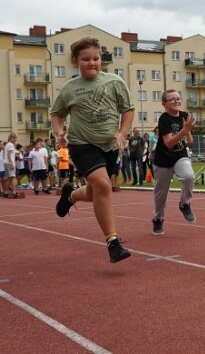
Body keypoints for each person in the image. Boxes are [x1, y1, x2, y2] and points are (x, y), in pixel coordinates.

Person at [50, 36, 134, 263]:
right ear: (75, 61)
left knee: (96, 190)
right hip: (81, 144)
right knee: (104, 186)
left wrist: (122, 133)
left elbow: (128, 110)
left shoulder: (115, 82)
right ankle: (113, 242)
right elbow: (56, 114)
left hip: (109, 145)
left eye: (96, 58)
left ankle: (71, 194)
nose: (92, 63)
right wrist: (59, 131)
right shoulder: (69, 88)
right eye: (86, 59)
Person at [150, 89, 197, 235]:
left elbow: (189, 142)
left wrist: (187, 132)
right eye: (172, 99)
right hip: (163, 160)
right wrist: (184, 131)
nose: (177, 101)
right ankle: (158, 219)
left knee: (189, 177)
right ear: (164, 104)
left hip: (179, 155)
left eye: (178, 98)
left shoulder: (184, 116)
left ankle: (185, 204)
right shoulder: (164, 119)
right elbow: (169, 143)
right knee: (161, 195)